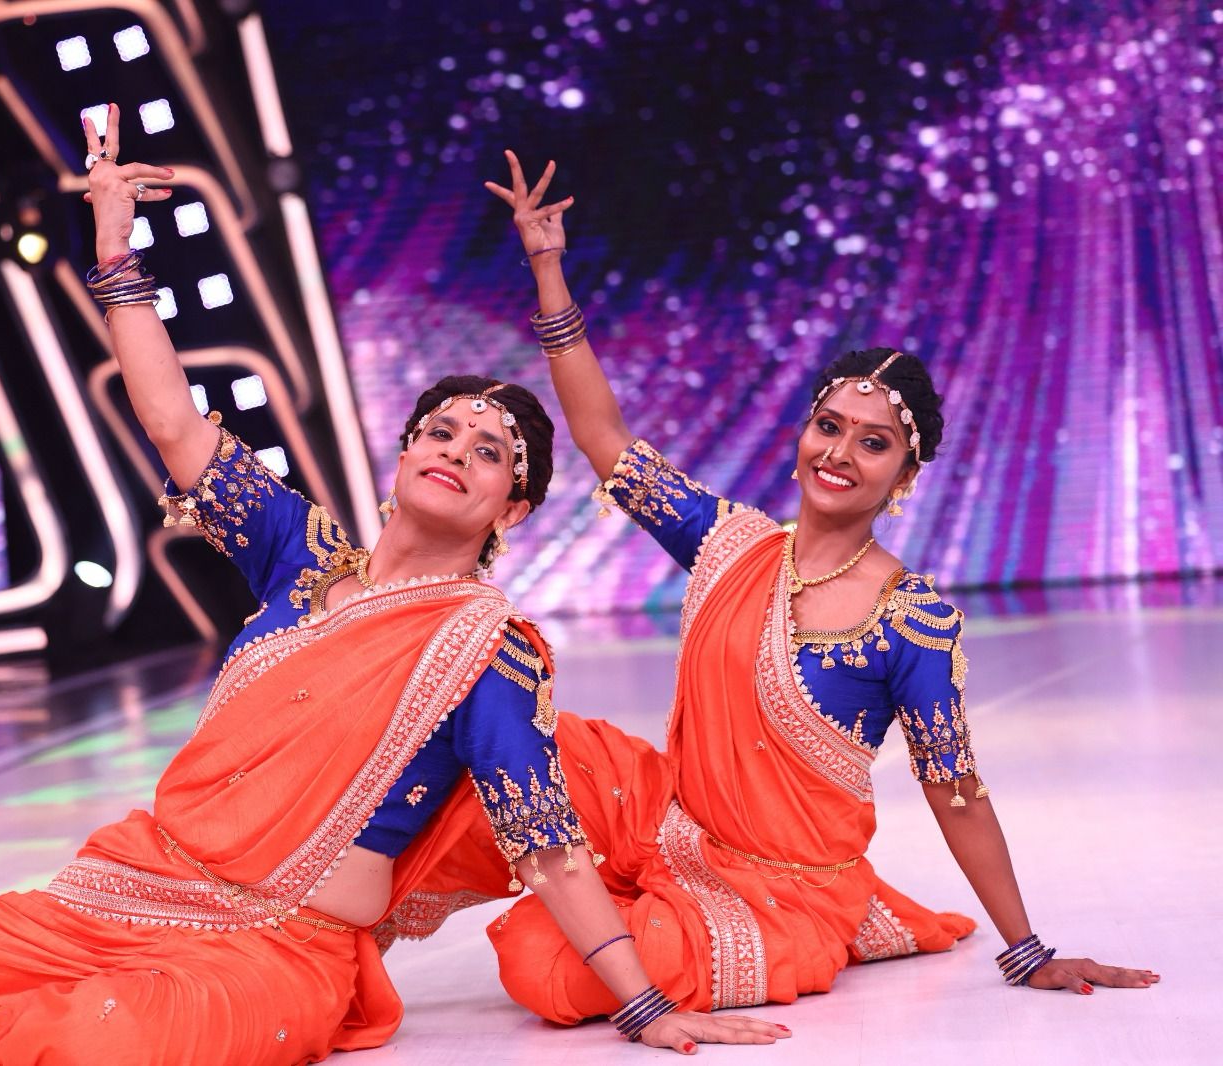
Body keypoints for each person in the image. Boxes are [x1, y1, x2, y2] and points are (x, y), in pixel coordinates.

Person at [0, 111, 792, 1065]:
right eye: (441, 432)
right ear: (404, 453)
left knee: (103, 1038)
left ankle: (9, 1044)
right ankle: (15, 1035)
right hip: (141, 889)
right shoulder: (301, 554)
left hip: (280, 945)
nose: (456, 452)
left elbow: (546, 843)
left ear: (513, 506)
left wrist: (643, 1007)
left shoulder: (485, 649)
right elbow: (173, 424)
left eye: (489, 453)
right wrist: (116, 251)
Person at [392, 151, 1159, 1025]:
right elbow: (604, 437)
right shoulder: (731, 543)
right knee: (500, 739)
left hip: (784, 893)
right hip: (672, 824)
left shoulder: (913, 620)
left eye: (874, 443)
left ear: (905, 475)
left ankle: (683, 918)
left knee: (546, 963)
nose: (839, 453)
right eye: (829, 426)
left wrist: (1027, 951)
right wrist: (547, 267)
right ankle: (337, 912)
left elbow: (957, 792)